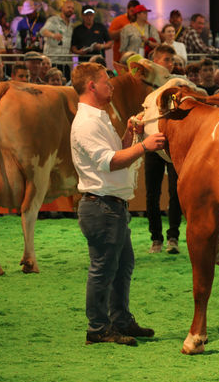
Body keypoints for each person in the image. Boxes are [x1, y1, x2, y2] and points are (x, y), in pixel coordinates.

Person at [70, 62, 165, 345]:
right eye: (105, 82)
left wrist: (130, 133)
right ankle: (98, 329)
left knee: (121, 266)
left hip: (110, 206)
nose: (110, 86)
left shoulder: (97, 117)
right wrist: (144, 146)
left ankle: (120, 320)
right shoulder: (87, 122)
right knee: (103, 269)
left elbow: (115, 152)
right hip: (102, 206)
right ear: (91, 87)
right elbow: (109, 162)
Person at [146, 44, 182, 253]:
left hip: (173, 144)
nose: (170, 64)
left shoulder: (177, 84)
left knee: (175, 192)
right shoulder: (146, 86)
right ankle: (156, 239)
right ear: (156, 61)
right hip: (152, 144)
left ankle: (173, 237)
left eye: (172, 61)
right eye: (167, 60)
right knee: (152, 193)